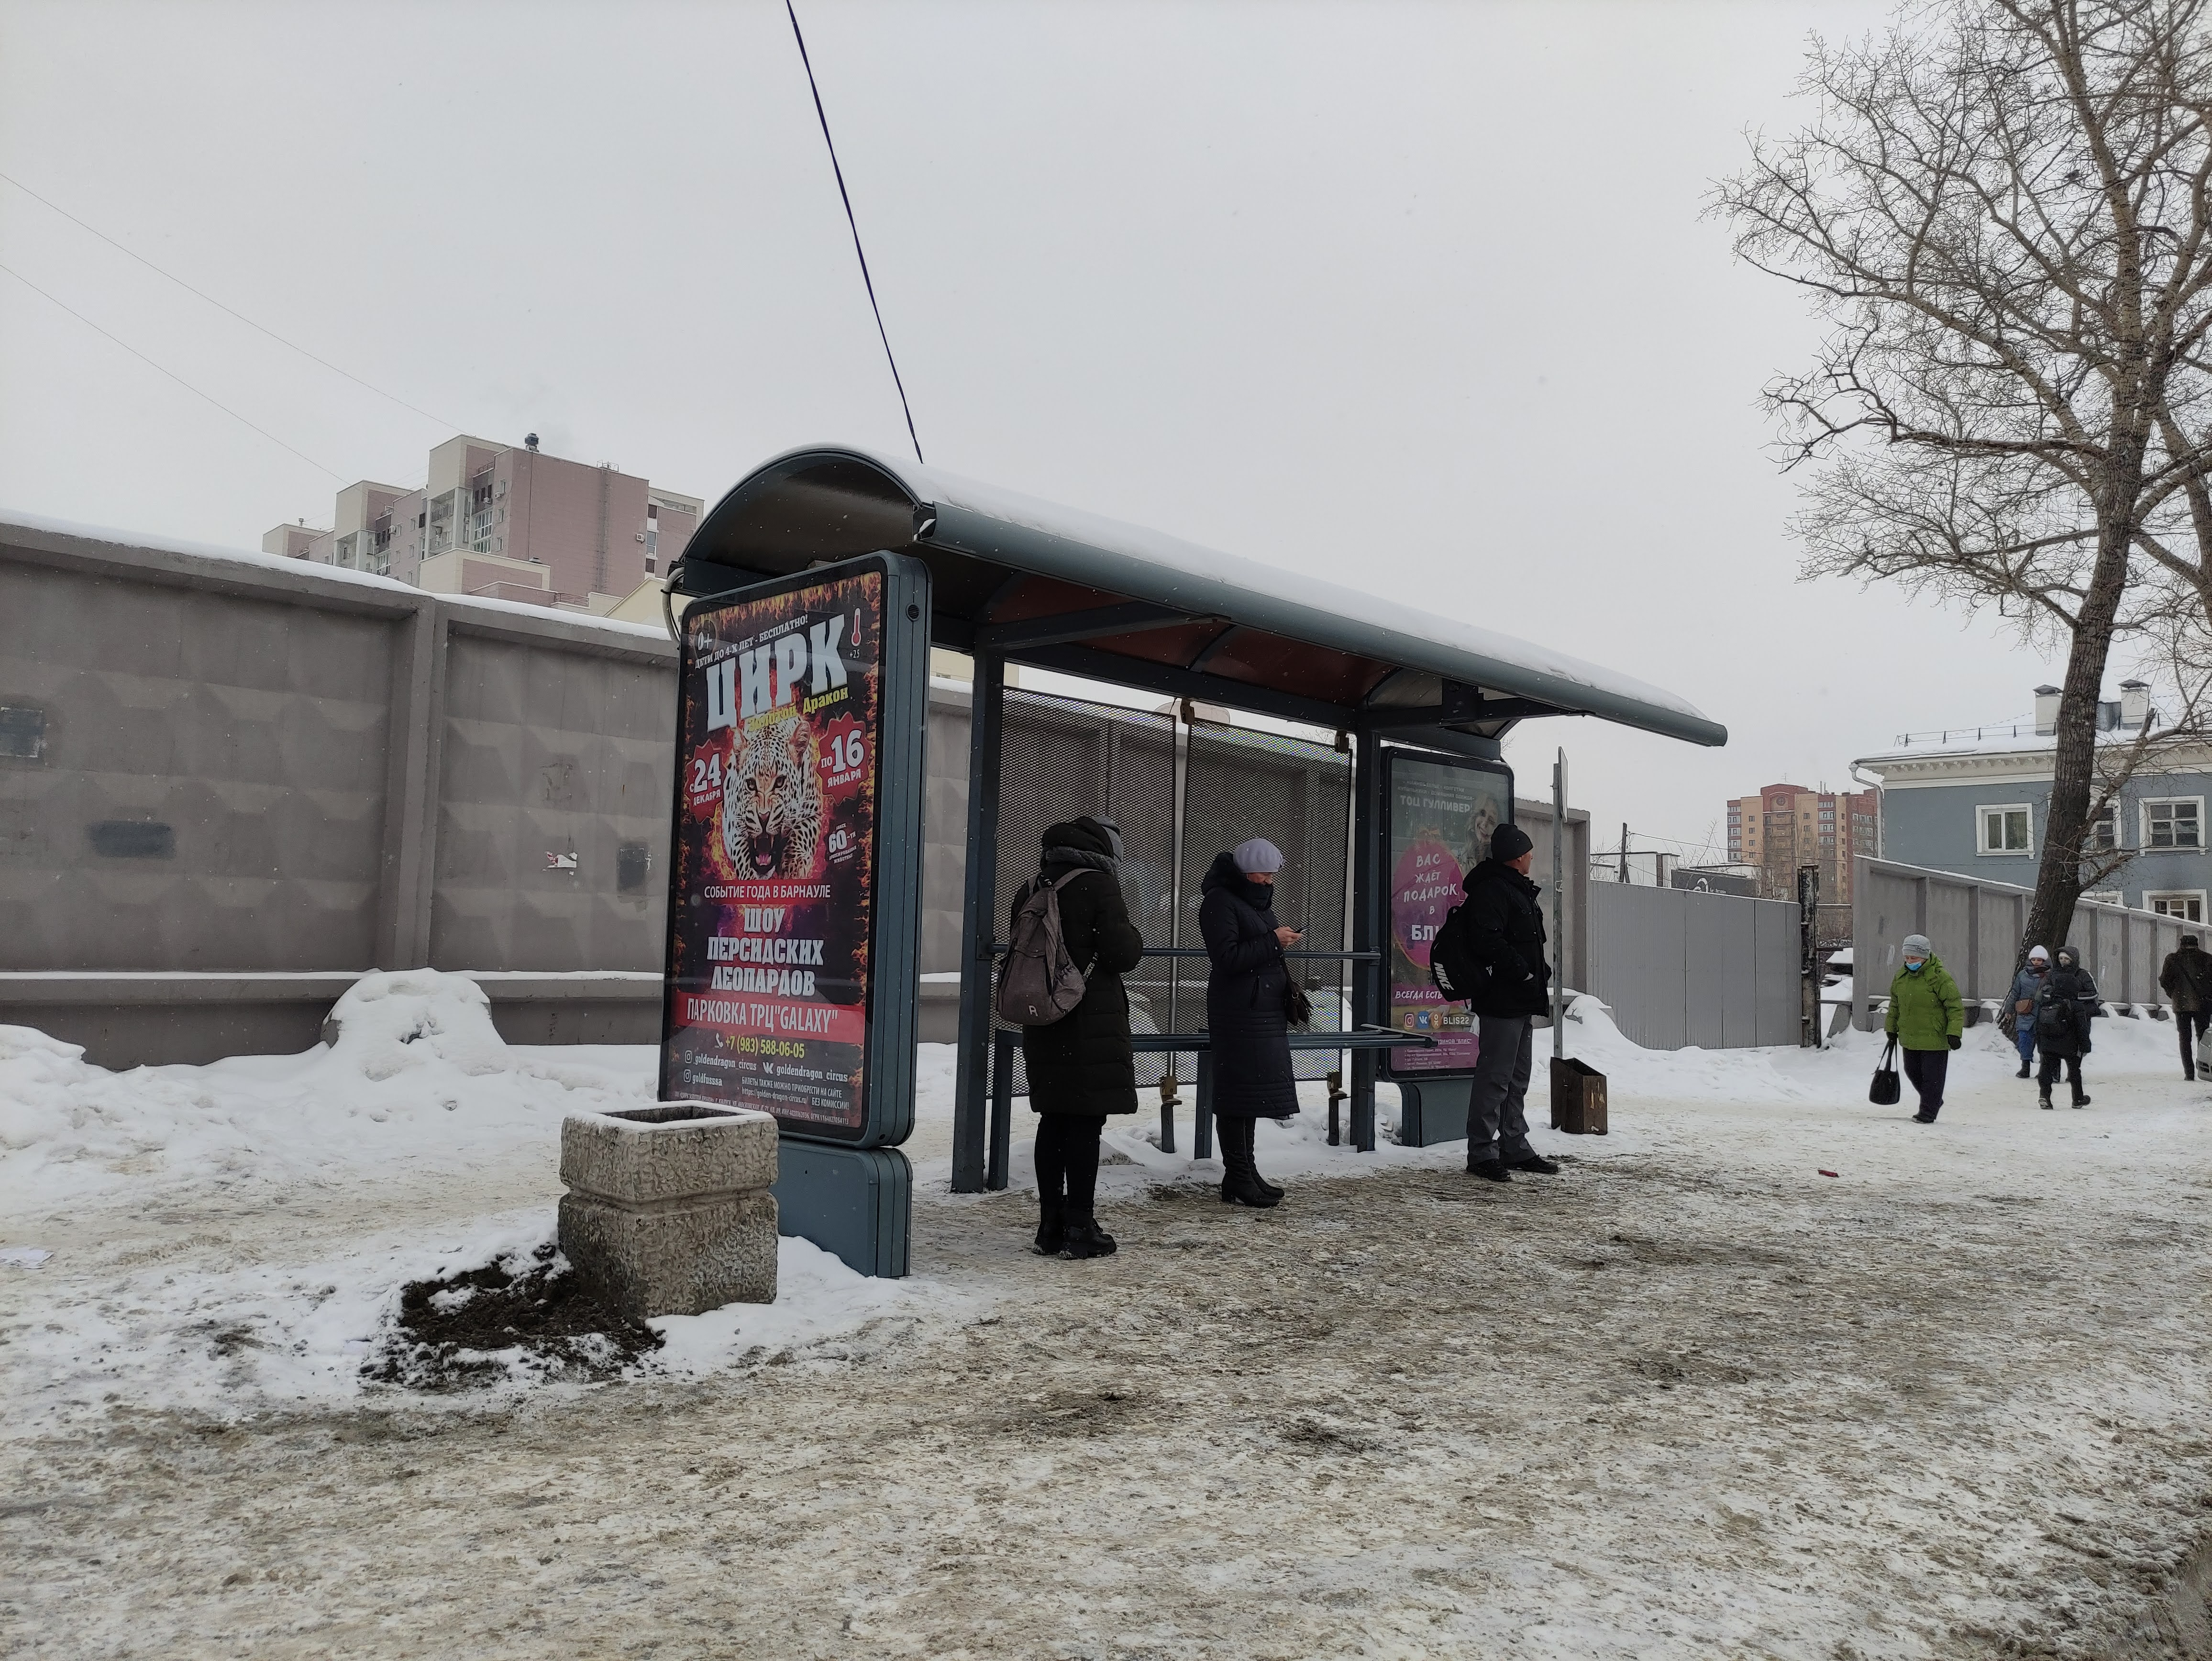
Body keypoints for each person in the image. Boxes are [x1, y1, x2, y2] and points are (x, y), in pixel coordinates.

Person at [1017, 817, 1145, 1258]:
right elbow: (1122, 954)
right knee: (1085, 1123)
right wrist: (1134, 935)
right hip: (1088, 1018)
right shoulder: (1099, 885)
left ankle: (1050, 1226)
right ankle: (1080, 1226)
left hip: (1043, 1016)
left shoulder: (1032, 886)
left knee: (1053, 1119)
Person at [1199, 837, 1302, 1208]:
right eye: (1264, 874)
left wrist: (1276, 941)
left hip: (1259, 1010)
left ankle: (1245, 1173)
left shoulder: (1251, 901)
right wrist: (1274, 940)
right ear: (1245, 872)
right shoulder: (1219, 901)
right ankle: (1239, 1175)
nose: (1269, 881)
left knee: (1249, 1094)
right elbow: (1227, 957)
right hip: (1239, 1011)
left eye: (1273, 875)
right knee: (1237, 1094)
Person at [1459, 823, 1562, 1183]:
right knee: (1495, 1078)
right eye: (1529, 852)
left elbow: (1522, 942)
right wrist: (1523, 971)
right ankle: (1482, 1153)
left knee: (1516, 1077)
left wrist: (1537, 972)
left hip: (1520, 999)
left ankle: (1513, 1145)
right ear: (1517, 856)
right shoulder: (1493, 890)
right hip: (1502, 1000)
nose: (1532, 857)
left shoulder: (1516, 888)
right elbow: (1488, 942)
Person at [1884, 932, 1963, 1124]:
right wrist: (1891, 1028)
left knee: (1932, 1078)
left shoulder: (1939, 977)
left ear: (1925, 956)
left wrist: (1954, 1033)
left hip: (1934, 1037)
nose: (1909, 962)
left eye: (1913, 958)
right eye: (1907, 957)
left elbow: (1954, 1006)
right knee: (1912, 1071)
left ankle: (1928, 1112)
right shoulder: (1901, 977)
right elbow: (1895, 1004)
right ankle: (1933, 1100)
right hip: (1910, 1035)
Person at [2034, 945, 2100, 1109]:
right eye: (2061, 959)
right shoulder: (2076, 1007)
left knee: (2046, 1069)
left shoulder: (2048, 1005)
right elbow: (2082, 1028)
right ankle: (2077, 1099)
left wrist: (2040, 1044)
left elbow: (2040, 1025)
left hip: (2050, 1042)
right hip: (2071, 1043)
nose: (2063, 962)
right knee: (2075, 1070)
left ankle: (2044, 1096)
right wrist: (2085, 1046)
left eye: (2067, 959)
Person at [2159, 933, 2212, 1080]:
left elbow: (2164, 981)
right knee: (2203, 1038)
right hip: (2203, 1004)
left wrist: (2174, 994)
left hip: (2181, 1004)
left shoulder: (2172, 959)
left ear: (2181, 944)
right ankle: (2204, 1069)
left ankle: (2189, 1073)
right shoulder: (2207, 959)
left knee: (2185, 1038)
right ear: (2197, 944)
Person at [2007, 946, 2051, 1080]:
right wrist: (2009, 1009)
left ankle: (2044, 1070)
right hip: (2025, 1012)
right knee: (2024, 1040)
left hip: (2044, 1014)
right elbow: (2015, 992)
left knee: (2044, 1043)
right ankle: (2025, 1068)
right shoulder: (2022, 975)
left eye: (2039, 960)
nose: (2036, 962)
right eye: (2034, 959)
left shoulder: (2050, 975)